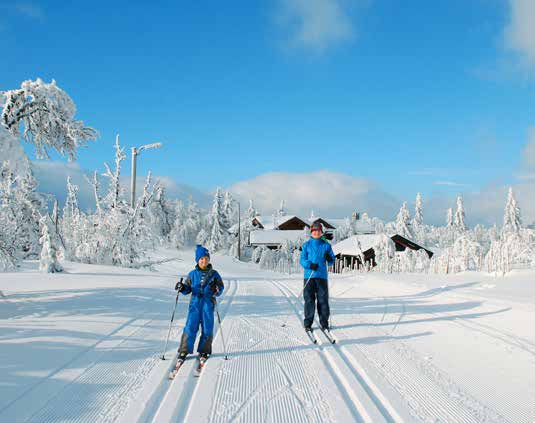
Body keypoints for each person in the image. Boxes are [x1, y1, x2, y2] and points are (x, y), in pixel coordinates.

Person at [175, 245, 224, 362]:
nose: (204, 261)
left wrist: (215, 289)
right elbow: (187, 289)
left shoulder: (214, 274)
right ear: (197, 260)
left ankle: (204, 350)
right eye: (201, 259)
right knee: (190, 326)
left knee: (207, 328)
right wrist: (182, 288)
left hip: (208, 304)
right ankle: (184, 350)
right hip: (195, 304)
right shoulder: (192, 274)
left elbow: (220, 288)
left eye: (206, 258)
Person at [299, 222, 335, 332]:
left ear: (321, 232)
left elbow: (332, 261)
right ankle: (308, 323)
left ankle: (324, 323)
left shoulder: (326, 245)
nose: (316, 232)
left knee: (323, 300)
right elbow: (302, 260)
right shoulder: (306, 245)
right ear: (311, 232)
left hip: (322, 277)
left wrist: (329, 258)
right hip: (309, 276)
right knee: (309, 300)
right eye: (314, 230)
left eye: (318, 230)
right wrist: (310, 265)